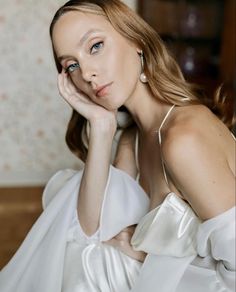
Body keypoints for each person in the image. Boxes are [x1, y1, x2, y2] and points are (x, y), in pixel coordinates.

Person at [0, 0, 235, 291]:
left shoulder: (183, 138)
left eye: (95, 46)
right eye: (71, 65)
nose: (86, 73)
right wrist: (101, 126)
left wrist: (147, 256)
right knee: (87, 252)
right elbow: (88, 231)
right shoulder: (132, 139)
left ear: (136, 40)